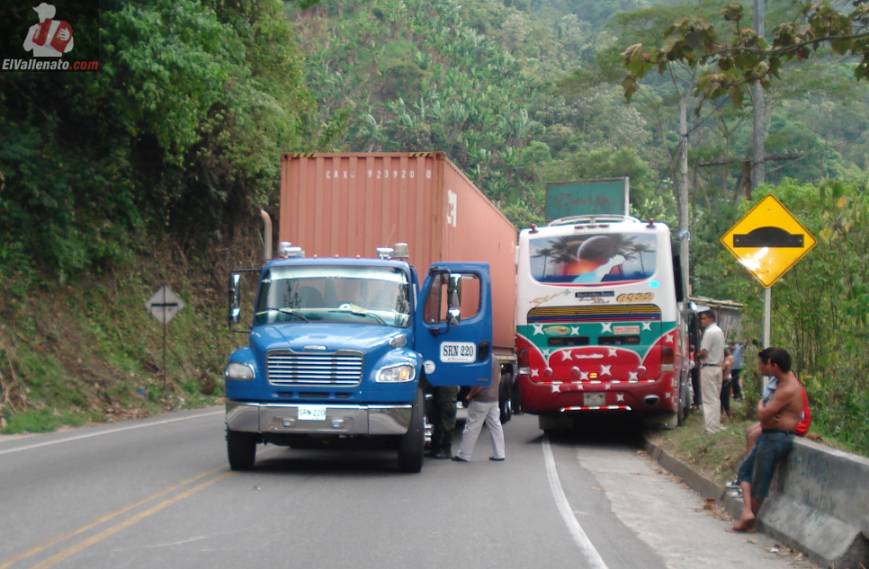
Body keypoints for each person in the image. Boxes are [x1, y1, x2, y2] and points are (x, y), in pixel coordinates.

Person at [731, 347, 803, 532]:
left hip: (776, 439)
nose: (763, 368)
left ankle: (749, 518)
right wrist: (768, 414)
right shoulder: (780, 383)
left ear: (775, 365)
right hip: (769, 435)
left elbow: (764, 414)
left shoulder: (787, 388)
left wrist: (761, 406)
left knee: (760, 480)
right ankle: (747, 512)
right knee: (745, 471)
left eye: (766, 364)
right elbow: (767, 417)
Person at [452, 359, 506, 462]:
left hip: (481, 399)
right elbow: (498, 378)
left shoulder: (482, 360)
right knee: (495, 426)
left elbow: (481, 383)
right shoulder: (495, 360)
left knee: (472, 427)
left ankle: (464, 454)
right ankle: (499, 454)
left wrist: (470, 395)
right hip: (494, 399)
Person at [697, 309, 725, 433]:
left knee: (709, 399)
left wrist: (697, 356)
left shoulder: (709, 332)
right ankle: (716, 425)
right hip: (718, 367)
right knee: (715, 398)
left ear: (711, 318)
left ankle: (711, 428)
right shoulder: (719, 331)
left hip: (708, 367)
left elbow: (704, 352)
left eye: (704, 318)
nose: (701, 321)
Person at [427, 386, 458, 459]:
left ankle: (446, 451)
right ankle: (436, 449)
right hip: (441, 401)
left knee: (447, 426)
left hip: (447, 402)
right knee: (438, 426)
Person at [720, 347, 734, 420]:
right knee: (721, 399)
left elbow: (724, 367)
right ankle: (722, 415)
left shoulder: (728, 359)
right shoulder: (728, 359)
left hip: (726, 381)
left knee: (725, 400)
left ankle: (729, 416)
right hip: (724, 381)